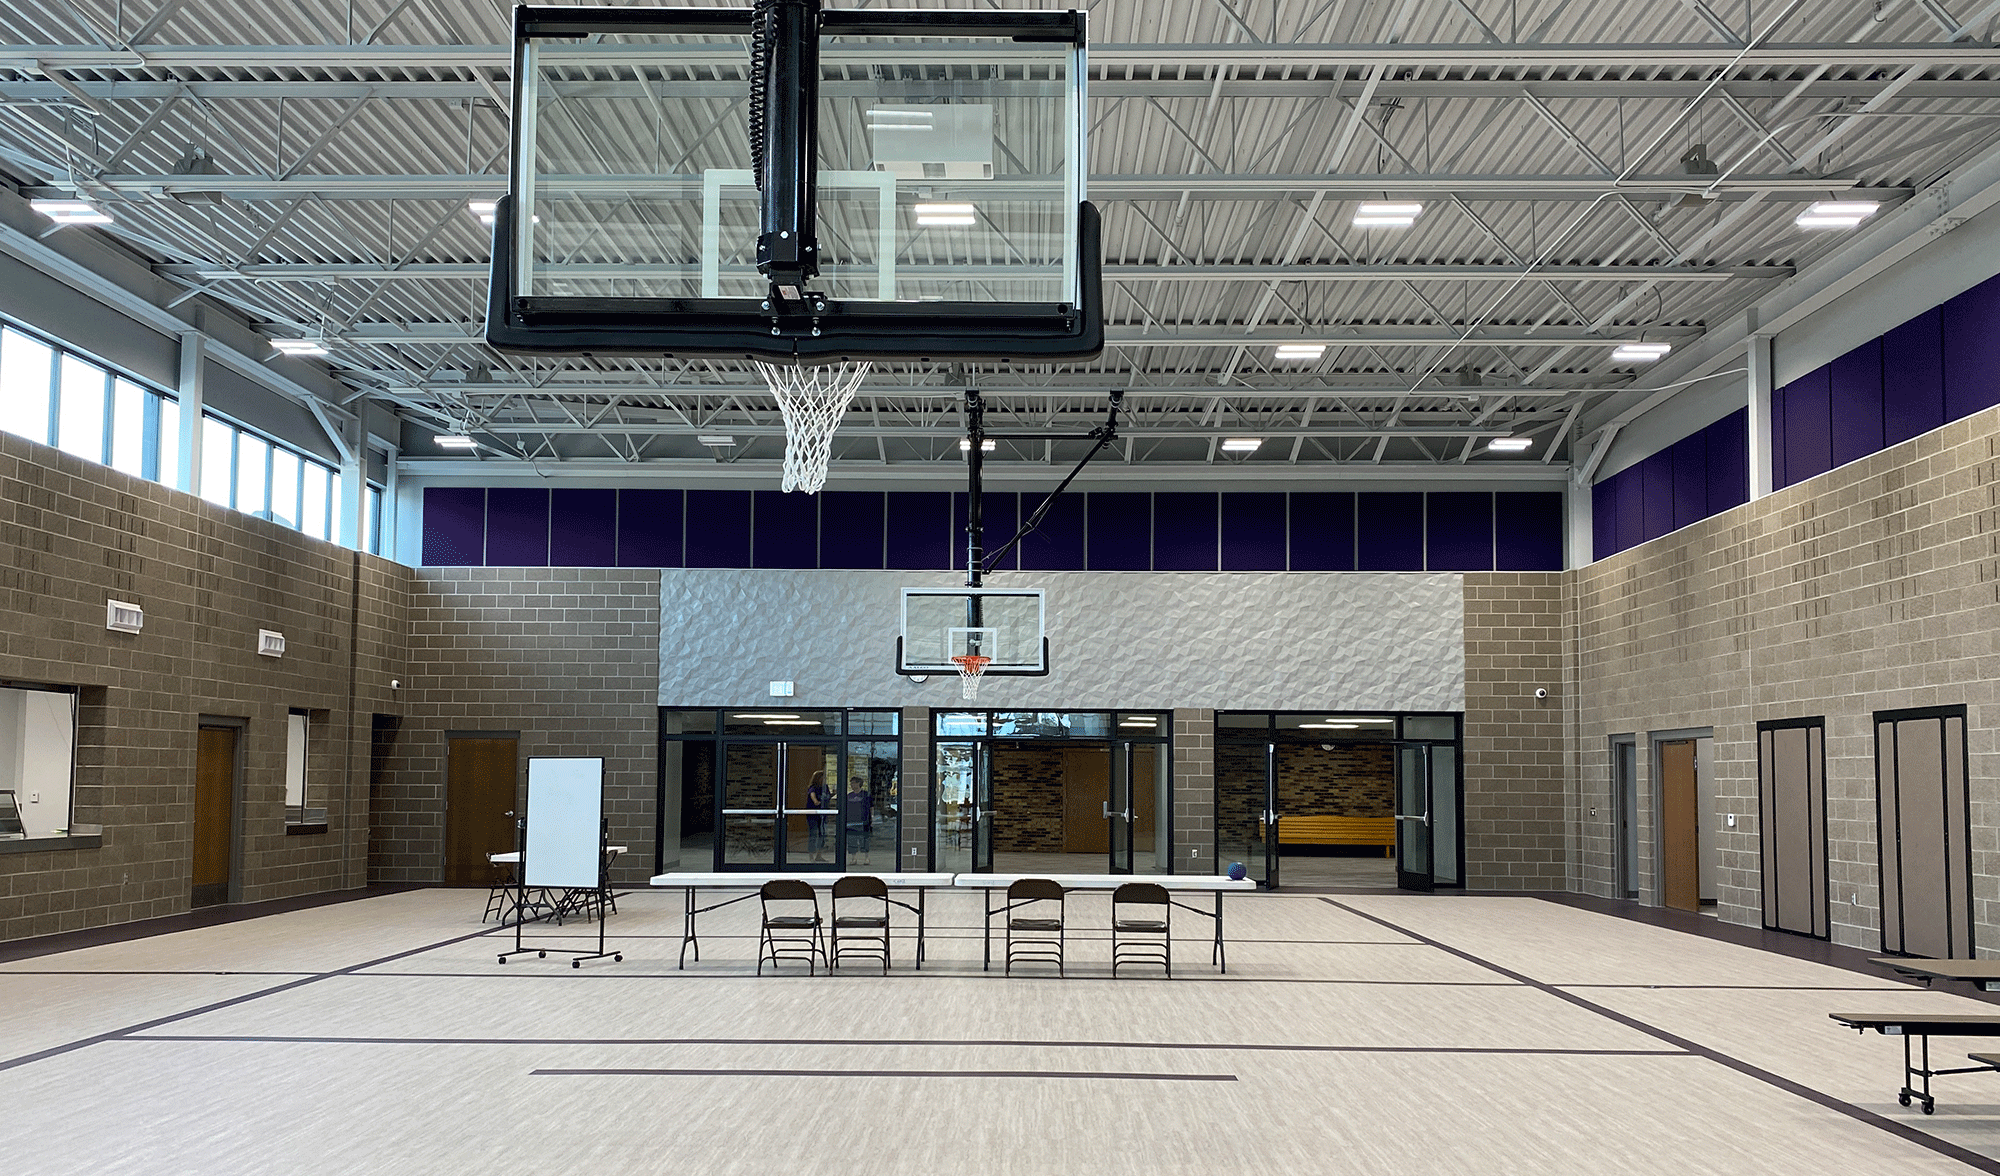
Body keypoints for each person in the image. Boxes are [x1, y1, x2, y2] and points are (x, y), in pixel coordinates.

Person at [845, 775, 873, 865]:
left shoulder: (866, 795)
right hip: (851, 821)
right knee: (852, 840)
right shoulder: (849, 796)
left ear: (859, 783)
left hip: (863, 820)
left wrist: (871, 818)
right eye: (851, 783)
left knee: (864, 840)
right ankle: (853, 858)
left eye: (853, 783)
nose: (852, 785)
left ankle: (866, 858)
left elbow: (871, 807)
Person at [804, 771, 830, 862]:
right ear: (818, 778)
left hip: (823, 815)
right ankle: (811, 856)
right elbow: (813, 797)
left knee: (822, 834)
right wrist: (816, 801)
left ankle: (819, 855)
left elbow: (828, 797)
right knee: (813, 835)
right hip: (813, 815)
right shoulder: (813, 788)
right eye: (823, 778)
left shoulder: (825, 788)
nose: (824, 780)